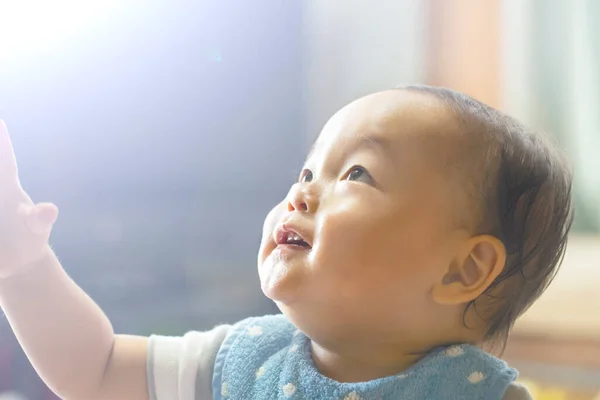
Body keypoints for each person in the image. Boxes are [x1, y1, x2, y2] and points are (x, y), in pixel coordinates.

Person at [0, 85, 573, 399]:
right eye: (305, 174)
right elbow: (94, 370)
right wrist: (24, 266)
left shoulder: (469, 396)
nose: (301, 194)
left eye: (355, 174)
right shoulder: (244, 361)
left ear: (461, 270)